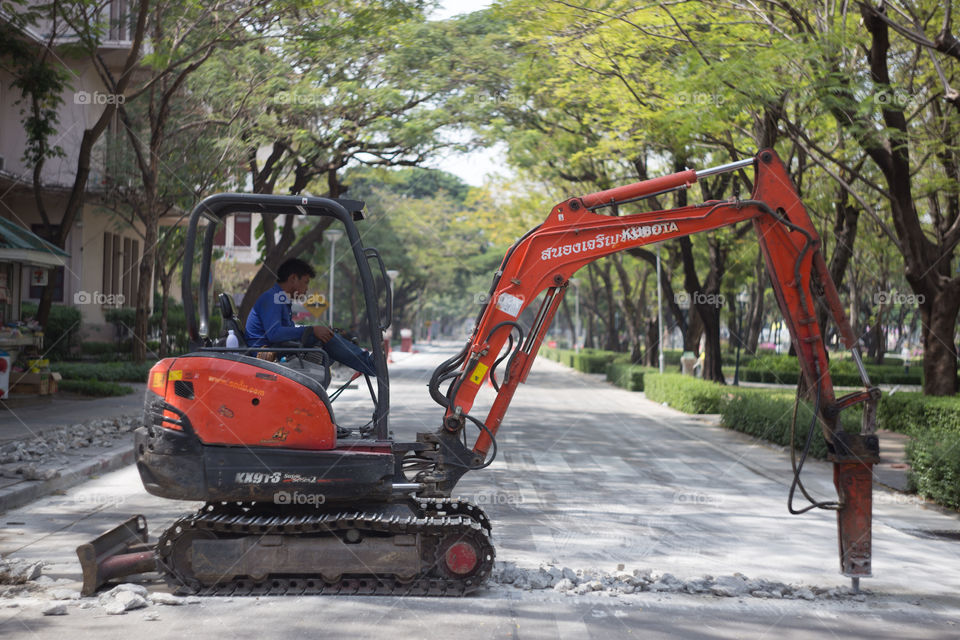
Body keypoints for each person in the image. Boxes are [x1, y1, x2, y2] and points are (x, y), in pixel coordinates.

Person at [245, 258, 377, 376]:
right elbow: (274, 333)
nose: (307, 288)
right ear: (293, 279)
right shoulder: (272, 299)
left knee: (326, 335)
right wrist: (311, 330)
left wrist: (317, 330)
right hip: (265, 353)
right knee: (326, 338)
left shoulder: (281, 300)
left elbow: (285, 331)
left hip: (277, 347)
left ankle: (363, 362)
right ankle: (369, 364)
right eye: (306, 282)